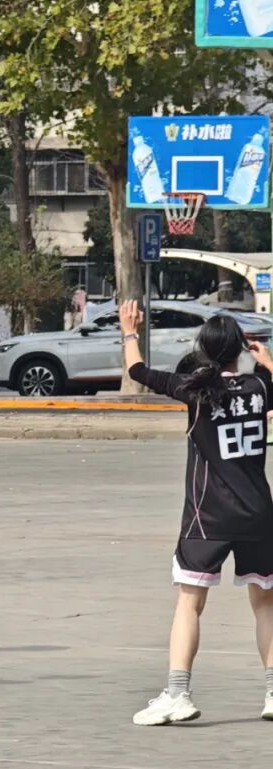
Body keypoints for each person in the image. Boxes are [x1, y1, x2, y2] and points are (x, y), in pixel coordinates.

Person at [120, 301, 273, 725]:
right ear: (240, 349)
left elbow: (138, 371)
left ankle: (177, 694)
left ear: (203, 349)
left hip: (208, 517)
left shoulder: (196, 390)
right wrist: (267, 361)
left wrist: (130, 331)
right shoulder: (259, 387)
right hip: (259, 514)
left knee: (190, 603)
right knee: (265, 603)